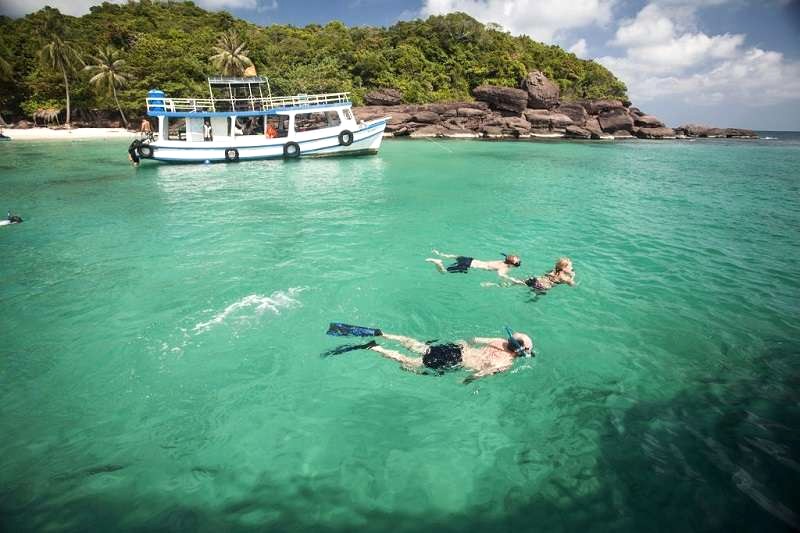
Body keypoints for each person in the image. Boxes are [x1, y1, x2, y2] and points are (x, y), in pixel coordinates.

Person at [330, 328, 533, 381]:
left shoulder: (498, 340)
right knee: (410, 363)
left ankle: (385, 335)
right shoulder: (507, 362)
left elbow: (472, 340)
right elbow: (482, 374)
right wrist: (467, 380)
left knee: (418, 346)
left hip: (456, 349)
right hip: (455, 361)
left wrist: (459, 344)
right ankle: (375, 347)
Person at [426, 249, 524, 284]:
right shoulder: (504, 267)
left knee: (456, 256)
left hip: (470, 259)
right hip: (467, 265)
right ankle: (438, 262)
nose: (518, 263)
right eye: (517, 263)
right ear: (511, 264)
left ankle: (440, 254)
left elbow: (508, 257)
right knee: (444, 272)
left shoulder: (503, 261)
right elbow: (501, 275)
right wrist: (514, 280)